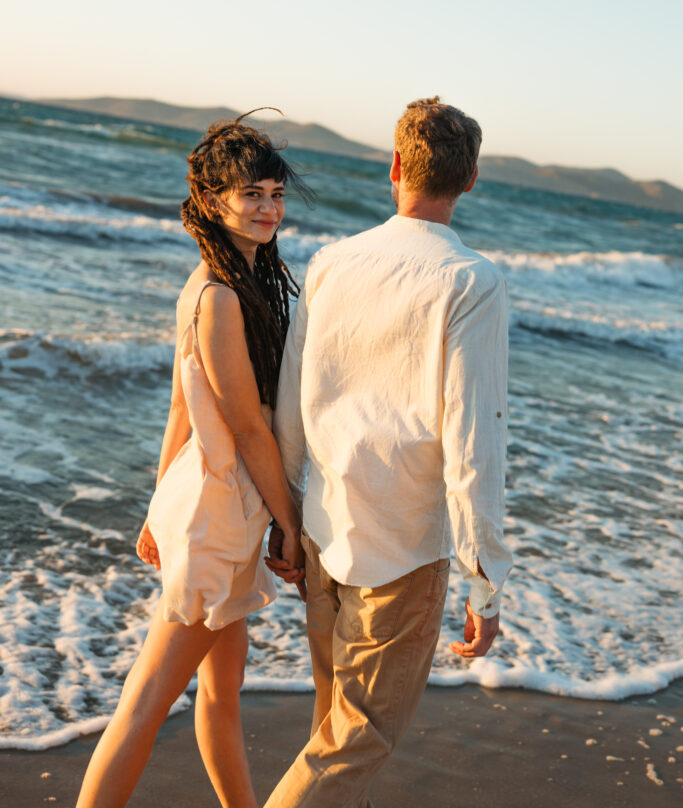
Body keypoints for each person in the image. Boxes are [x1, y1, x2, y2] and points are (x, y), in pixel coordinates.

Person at [265, 97, 513, 807]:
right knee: (353, 742)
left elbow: (292, 399)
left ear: (395, 166)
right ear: (469, 181)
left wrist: (285, 515)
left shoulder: (331, 262)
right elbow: (473, 441)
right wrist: (484, 576)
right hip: (402, 545)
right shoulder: (471, 280)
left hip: (323, 523)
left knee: (331, 733)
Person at [76, 113, 309, 808]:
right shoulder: (218, 296)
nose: (269, 207)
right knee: (147, 701)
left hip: (212, 503)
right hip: (219, 512)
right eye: (252, 194)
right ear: (213, 201)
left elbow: (182, 411)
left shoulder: (228, 282)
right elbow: (246, 427)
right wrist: (289, 522)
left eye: (275, 193)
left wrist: (156, 507)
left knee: (220, 693)